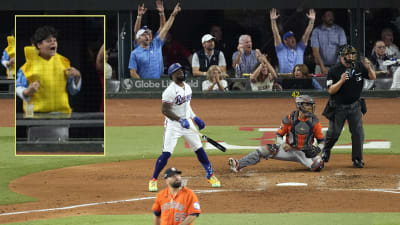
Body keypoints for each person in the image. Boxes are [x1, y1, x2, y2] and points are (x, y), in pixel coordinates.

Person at [149, 63, 221, 192]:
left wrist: (195, 118)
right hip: (173, 125)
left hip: (187, 123)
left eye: (181, 70)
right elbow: (165, 110)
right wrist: (179, 120)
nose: (181, 73)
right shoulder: (169, 91)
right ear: (172, 75)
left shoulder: (188, 87)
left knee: (199, 150)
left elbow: (187, 106)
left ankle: (210, 175)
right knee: (166, 153)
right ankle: (153, 179)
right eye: (177, 71)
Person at [228, 95, 325, 173]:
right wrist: (283, 144)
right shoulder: (289, 119)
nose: (310, 107)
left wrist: (317, 149)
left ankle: (315, 162)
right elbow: (278, 135)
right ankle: (238, 164)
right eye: (307, 105)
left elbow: (322, 141)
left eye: (311, 105)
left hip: (306, 152)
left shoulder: (314, 122)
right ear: (300, 105)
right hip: (289, 151)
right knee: (264, 150)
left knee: (317, 166)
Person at [321, 45, 376, 168]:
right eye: (348, 54)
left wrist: (369, 67)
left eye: (352, 54)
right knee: (334, 133)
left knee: (358, 133)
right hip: (338, 107)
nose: (351, 56)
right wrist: (341, 81)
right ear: (341, 56)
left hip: (355, 106)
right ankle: (326, 150)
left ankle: (357, 159)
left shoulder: (359, 67)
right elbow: (330, 90)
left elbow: (372, 77)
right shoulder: (334, 71)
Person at [16, 26, 82, 113]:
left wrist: (77, 77)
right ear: (39, 45)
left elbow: (72, 91)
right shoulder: (27, 66)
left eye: (54, 41)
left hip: (61, 117)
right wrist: (26, 91)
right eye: (48, 41)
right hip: (36, 117)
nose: (53, 43)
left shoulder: (64, 62)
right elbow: (18, 87)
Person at [129, 2, 181, 79]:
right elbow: (132, 72)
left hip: (159, 83)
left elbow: (165, 28)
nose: (148, 36)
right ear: (139, 38)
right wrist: (141, 85)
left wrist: (172, 14)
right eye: (144, 34)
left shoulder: (156, 43)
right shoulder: (135, 52)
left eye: (149, 34)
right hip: (144, 85)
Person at [270, 8, 316, 74]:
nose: (293, 39)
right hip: (284, 79)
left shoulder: (300, 48)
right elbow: (276, 34)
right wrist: (273, 21)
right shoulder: (280, 49)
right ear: (285, 41)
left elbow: (307, 34)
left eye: (293, 37)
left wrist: (312, 21)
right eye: (290, 38)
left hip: (299, 79)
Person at [311, 10, 347, 75]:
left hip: (336, 65)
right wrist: (322, 67)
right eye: (328, 15)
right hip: (320, 66)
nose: (331, 18)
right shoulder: (316, 31)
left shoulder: (340, 30)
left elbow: (343, 48)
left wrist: (338, 66)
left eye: (332, 16)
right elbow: (315, 51)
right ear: (323, 18)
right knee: (320, 85)